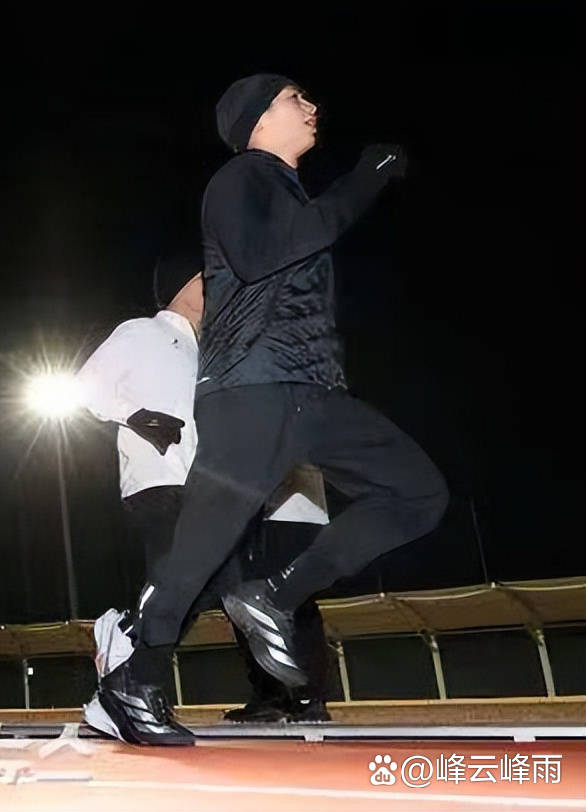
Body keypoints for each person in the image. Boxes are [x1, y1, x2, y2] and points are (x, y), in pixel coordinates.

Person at [101, 74, 447, 744]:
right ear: (257, 120)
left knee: (418, 493)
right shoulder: (239, 179)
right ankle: (133, 681)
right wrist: (364, 179)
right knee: (202, 547)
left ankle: (276, 597)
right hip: (251, 392)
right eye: (295, 98)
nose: (312, 105)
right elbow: (261, 257)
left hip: (313, 393)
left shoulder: (285, 189)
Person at [75, 267, 329, 743]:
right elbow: (85, 388)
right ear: (177, 286)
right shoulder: (141, 330)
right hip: (157, 482)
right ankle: (129, 671)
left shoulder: (207, 354)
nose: (215, 289)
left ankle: (124, 673)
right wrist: (135, 415)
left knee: (202, 589)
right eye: (202, 279)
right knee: (196, 585)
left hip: (204, 487)